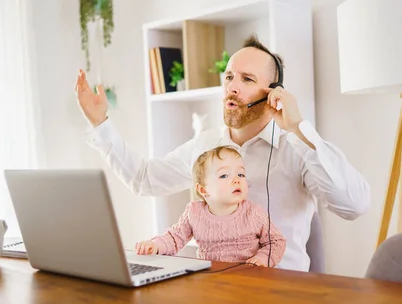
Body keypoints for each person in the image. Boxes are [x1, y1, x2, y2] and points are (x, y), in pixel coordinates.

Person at [74, 34, 370, 272]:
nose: (232, 88)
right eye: (229, 77)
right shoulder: (206, 144)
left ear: (273, 93)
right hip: (215, 293)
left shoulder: (296, 146)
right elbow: (144, 179)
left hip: (283, 295)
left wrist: (298, 127)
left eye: (247, 80)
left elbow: (354, 205)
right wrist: (100, 123)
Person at [135, 145, 286, 267]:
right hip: (211, 280)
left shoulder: (253, 213)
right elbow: (175, 238)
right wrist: (155, 245)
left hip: (248, 278)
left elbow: (277, 242)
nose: (236, 180)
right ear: (203, 190)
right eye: (224, 175)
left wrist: (262, 259)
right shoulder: (194, 212)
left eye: (241, 174)